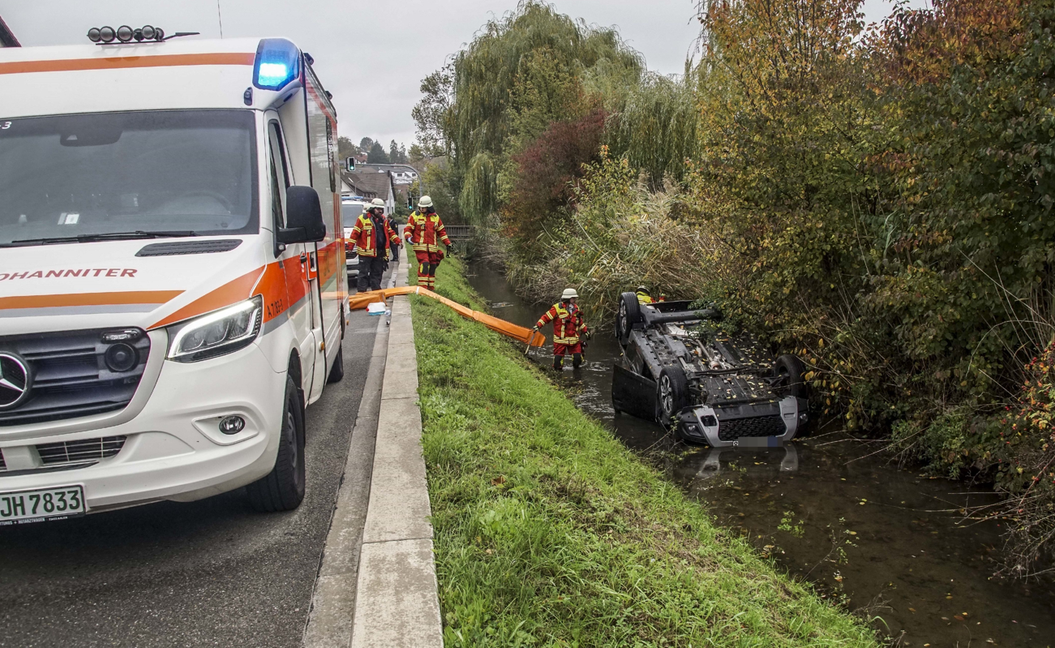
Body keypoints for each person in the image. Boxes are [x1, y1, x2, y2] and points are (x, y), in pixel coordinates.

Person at [533, 288, 591, 370]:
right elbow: (546, 318)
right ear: (568, 298)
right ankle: (557, 377)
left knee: (577, 359)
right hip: (560, 340)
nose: (575, 300)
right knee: (557, 363)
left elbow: (579, 322)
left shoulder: (576, 308)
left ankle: (577, 377)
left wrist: (585, 331)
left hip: (573, 339)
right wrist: (538, 326)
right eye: (573, 298)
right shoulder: (557, 308)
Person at [349, 198, 399, 292]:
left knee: (377, 273)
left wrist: (397, 241)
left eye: (381, 209)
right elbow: (355, 233)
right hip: (365, 253)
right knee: (363, 274)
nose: (380, 211)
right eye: (378, 209)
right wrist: (350, 246)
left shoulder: (383, 220)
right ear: (372, 208)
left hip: (379, 253)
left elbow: (390, 232)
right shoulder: (362, 219)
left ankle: (376, 292)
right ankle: (362, 294)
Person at [403, 195, 451, 291]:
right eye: (420, 207)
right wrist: (408, 238)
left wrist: (447, 243)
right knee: (424, 264)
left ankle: (430, 288)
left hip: (432, 248)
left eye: (423, 207)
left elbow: (441, 232)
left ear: (429, 207)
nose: (421, 209)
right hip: (420, 247)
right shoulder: (414, 216)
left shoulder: (436, 218)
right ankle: (422, 288)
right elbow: (408, 229)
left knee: (432, 266)